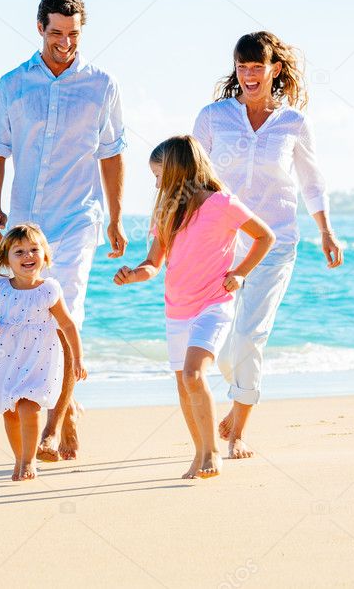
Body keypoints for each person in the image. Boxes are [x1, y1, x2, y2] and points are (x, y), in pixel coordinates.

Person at [0, 0, 127, 461]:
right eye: (56, 33)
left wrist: (116, 220)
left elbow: (112, 154)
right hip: (26, 225)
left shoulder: (102, 85)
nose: (66, 43)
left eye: (74, 34)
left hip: (78, 218)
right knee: (28, 323)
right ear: (39, 28)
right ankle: (65, 408)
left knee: (66, 318)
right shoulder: (12, 84)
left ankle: (53, 425)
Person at [193, 31, 343, 459]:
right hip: (221, 243)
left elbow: (312, 181)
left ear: (274, 69)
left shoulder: (293, 122)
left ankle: (238, 428)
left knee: (250, 335)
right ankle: (237, 390)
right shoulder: (213, 117)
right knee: (220, 346)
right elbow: (190, 179)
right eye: (242, 68)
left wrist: (326, 231)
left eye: (257, 67)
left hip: (275, 242)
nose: (249, 76)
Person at [113, 136, 274, 479]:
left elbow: (265, 236)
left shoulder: (222, 203)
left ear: (176, 172)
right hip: (176, 310)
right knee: (183, 385)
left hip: (213, 305)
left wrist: (240, 273)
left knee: (193, 375)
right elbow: (153, 264)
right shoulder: (168, 211)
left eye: (159, 175)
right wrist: (133, 276)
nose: (156, 183)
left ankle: (212, 452)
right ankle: (199, 452)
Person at [0, 224, 85, 481]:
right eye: (19, 251)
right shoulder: (1, 288)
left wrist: (78, 358)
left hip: (39, 360)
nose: (28, 256)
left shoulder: (49, 289)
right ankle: (18, 458)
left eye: (34, 250)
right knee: (10, 413)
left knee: (28, 407)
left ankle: (29, 461)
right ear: (6, 259)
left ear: (45, 255)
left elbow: (68, 325)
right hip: (6, 359)